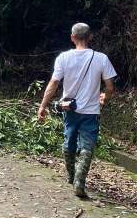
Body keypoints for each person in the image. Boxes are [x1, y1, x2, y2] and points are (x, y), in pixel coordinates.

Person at [36, 22, 117, 199]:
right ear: (90, 37)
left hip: (69, 108)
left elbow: (54, 83)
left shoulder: (63, 58)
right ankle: (80, 182)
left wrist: (42, 106)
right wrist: (104, 97)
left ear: (72, 38)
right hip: (91, 111)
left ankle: (71, 176)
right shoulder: (101, 58)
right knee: (87, 145)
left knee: (69, 141)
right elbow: (110, 86)